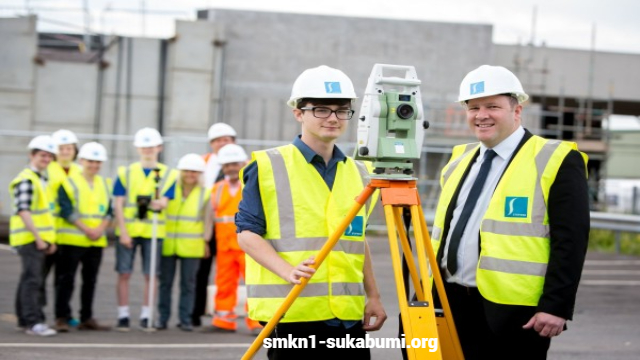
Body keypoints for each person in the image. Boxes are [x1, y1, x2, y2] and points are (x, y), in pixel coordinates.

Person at [430, 65, 589, 360]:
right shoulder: (459, 159)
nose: (482, 115)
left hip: (515, 313)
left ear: (517, 111)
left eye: (493, 106)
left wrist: (556, 305)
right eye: (474, 107)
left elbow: (572, 240)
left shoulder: (555, 159)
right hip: (451, 299)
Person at [236, 65, 387, 358]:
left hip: (347, 316)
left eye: (341, 110)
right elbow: (247, 234)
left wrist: (374, 296)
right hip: (293, 313)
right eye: (320, 109)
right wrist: (287, 271)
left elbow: (357, 240)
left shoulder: (361, 173)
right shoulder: (268, 166)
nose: (332, 117)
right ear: (298, 112)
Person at [113, 127, 178, 331]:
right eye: (144, 147)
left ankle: (145, 314)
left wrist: (160, 203)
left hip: (153, 232)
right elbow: (118, 204)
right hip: (129, 231)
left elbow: (165, 201)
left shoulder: (168, 174)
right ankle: (123, 314)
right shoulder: (125, 172)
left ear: (159, 147)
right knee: (124, 273)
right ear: (137, 148)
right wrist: (123, 231)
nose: (147, 150)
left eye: (151, 146)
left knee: (151, 275)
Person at [54, 142, 112, 332]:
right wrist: (87, 229)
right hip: (72, 240)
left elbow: (109, 211)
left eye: (98, 162)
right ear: (81, 161)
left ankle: (86, 317)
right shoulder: (69, 182)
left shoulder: (104, 183)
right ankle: (61, 317)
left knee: (90, 281)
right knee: (66, 280)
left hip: (95, 241)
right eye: (90, 161)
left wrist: (100, 229)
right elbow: (65, 210)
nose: (94, 165)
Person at [209, 144, 262, 333]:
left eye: (234, 164)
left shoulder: (252, 186)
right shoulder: (216, 189)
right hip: (224, 246)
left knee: (254, 283)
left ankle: (256, 322)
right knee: (223, 283)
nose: (230, 168)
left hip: (249, 245)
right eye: (226, 165)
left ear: (243, 163)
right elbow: (211, 217)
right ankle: (223, 321)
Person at [157, 154, 212, 332]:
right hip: (169, 244)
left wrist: (206, 242)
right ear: (180, 172)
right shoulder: (170, 189)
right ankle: (162, 319)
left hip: (192, 245)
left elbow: (208, 220)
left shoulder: (205, 193)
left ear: (200, 174)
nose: (190, 174)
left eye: (194, 172)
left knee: (188, 285)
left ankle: (185, 319)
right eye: (187, 171)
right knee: (165, 283)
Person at [10, 135, 58, 336]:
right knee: (33, 281)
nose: (46, 159)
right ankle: (33, 322)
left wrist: (49, 240)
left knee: (28, 280)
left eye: (49, 156)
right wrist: (39, 238)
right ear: (32, 155)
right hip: (31, 239)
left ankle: (24, 320)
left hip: (38, 239)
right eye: (42, 155)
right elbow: (23, 210)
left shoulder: (40, 179)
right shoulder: (28, 180)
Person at [192, 122, 237, 327]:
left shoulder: (240, 163)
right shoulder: (203, 162)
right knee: (202, 272)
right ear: (211, 144)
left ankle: (232, 316)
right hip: (208, 225)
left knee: (232, 273)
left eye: (226, 139)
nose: (222, 143)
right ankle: (196, 313)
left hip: (233, 233)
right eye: (218, 140)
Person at [47, 129, 83, 328]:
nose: (65, 151)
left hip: (69, 234)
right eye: (61, 148)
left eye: (69, 148)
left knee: (65, 279)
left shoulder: (79, 170)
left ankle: (63, 314)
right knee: (38, 277)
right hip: (47, 231)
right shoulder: (47, 168)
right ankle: (33, 314)